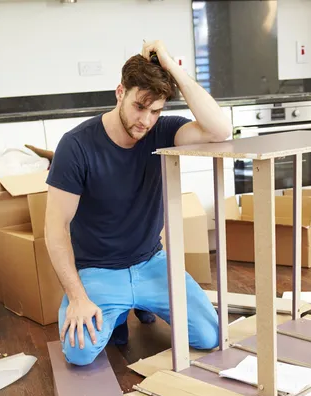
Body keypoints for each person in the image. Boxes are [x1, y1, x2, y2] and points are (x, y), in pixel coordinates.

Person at [45, 40, 232, 366]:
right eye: (139, 106)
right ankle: (117, 312)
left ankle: (138, 303)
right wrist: (78, 298)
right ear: (120, 92)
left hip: (151, 264)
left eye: (156, 110)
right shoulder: (76, 146)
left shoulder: (163, 131)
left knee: (211, 337)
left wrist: (172, 67)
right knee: (78, 354)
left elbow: (220, 130)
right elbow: (55, 228)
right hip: (98, 271)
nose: (146, 120)